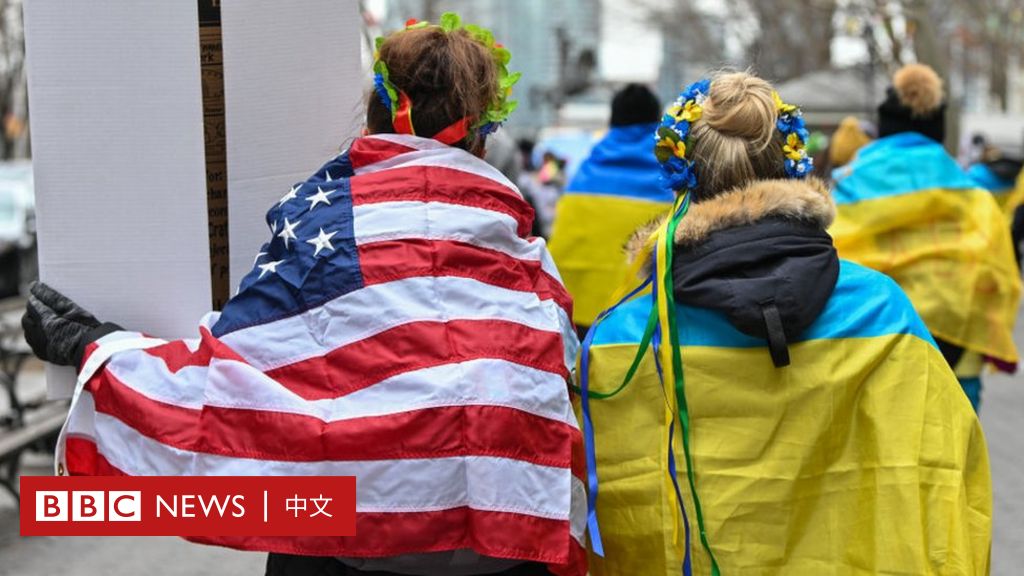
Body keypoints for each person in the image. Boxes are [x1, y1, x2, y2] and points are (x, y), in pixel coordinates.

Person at [22, 14, 585, 576]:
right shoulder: (526, 253)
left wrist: (93, 346)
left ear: (377, 116)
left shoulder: (329, 226)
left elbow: (226, 380)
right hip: (507, 536)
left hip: (357, 534)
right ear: (482, 136)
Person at [580, 72, 990, 574]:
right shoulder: (883, 310)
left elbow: (612, 511)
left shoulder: (623, 337)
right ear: (790, 164)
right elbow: (947, 481)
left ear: (681, 177)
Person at [830, 63, 1021, 411]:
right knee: (956, 461)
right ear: (938, 127)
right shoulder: (974, 197)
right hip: (956, 360)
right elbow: (998, 274)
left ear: (885, 124)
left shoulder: (846, 188)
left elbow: (830, 264)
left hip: (870, 354)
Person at [547, 84, 671, 336]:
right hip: (647, 322)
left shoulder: (586, 173)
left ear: (613, 119)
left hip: (584, 322)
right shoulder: (671, 178)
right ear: (657, 119)